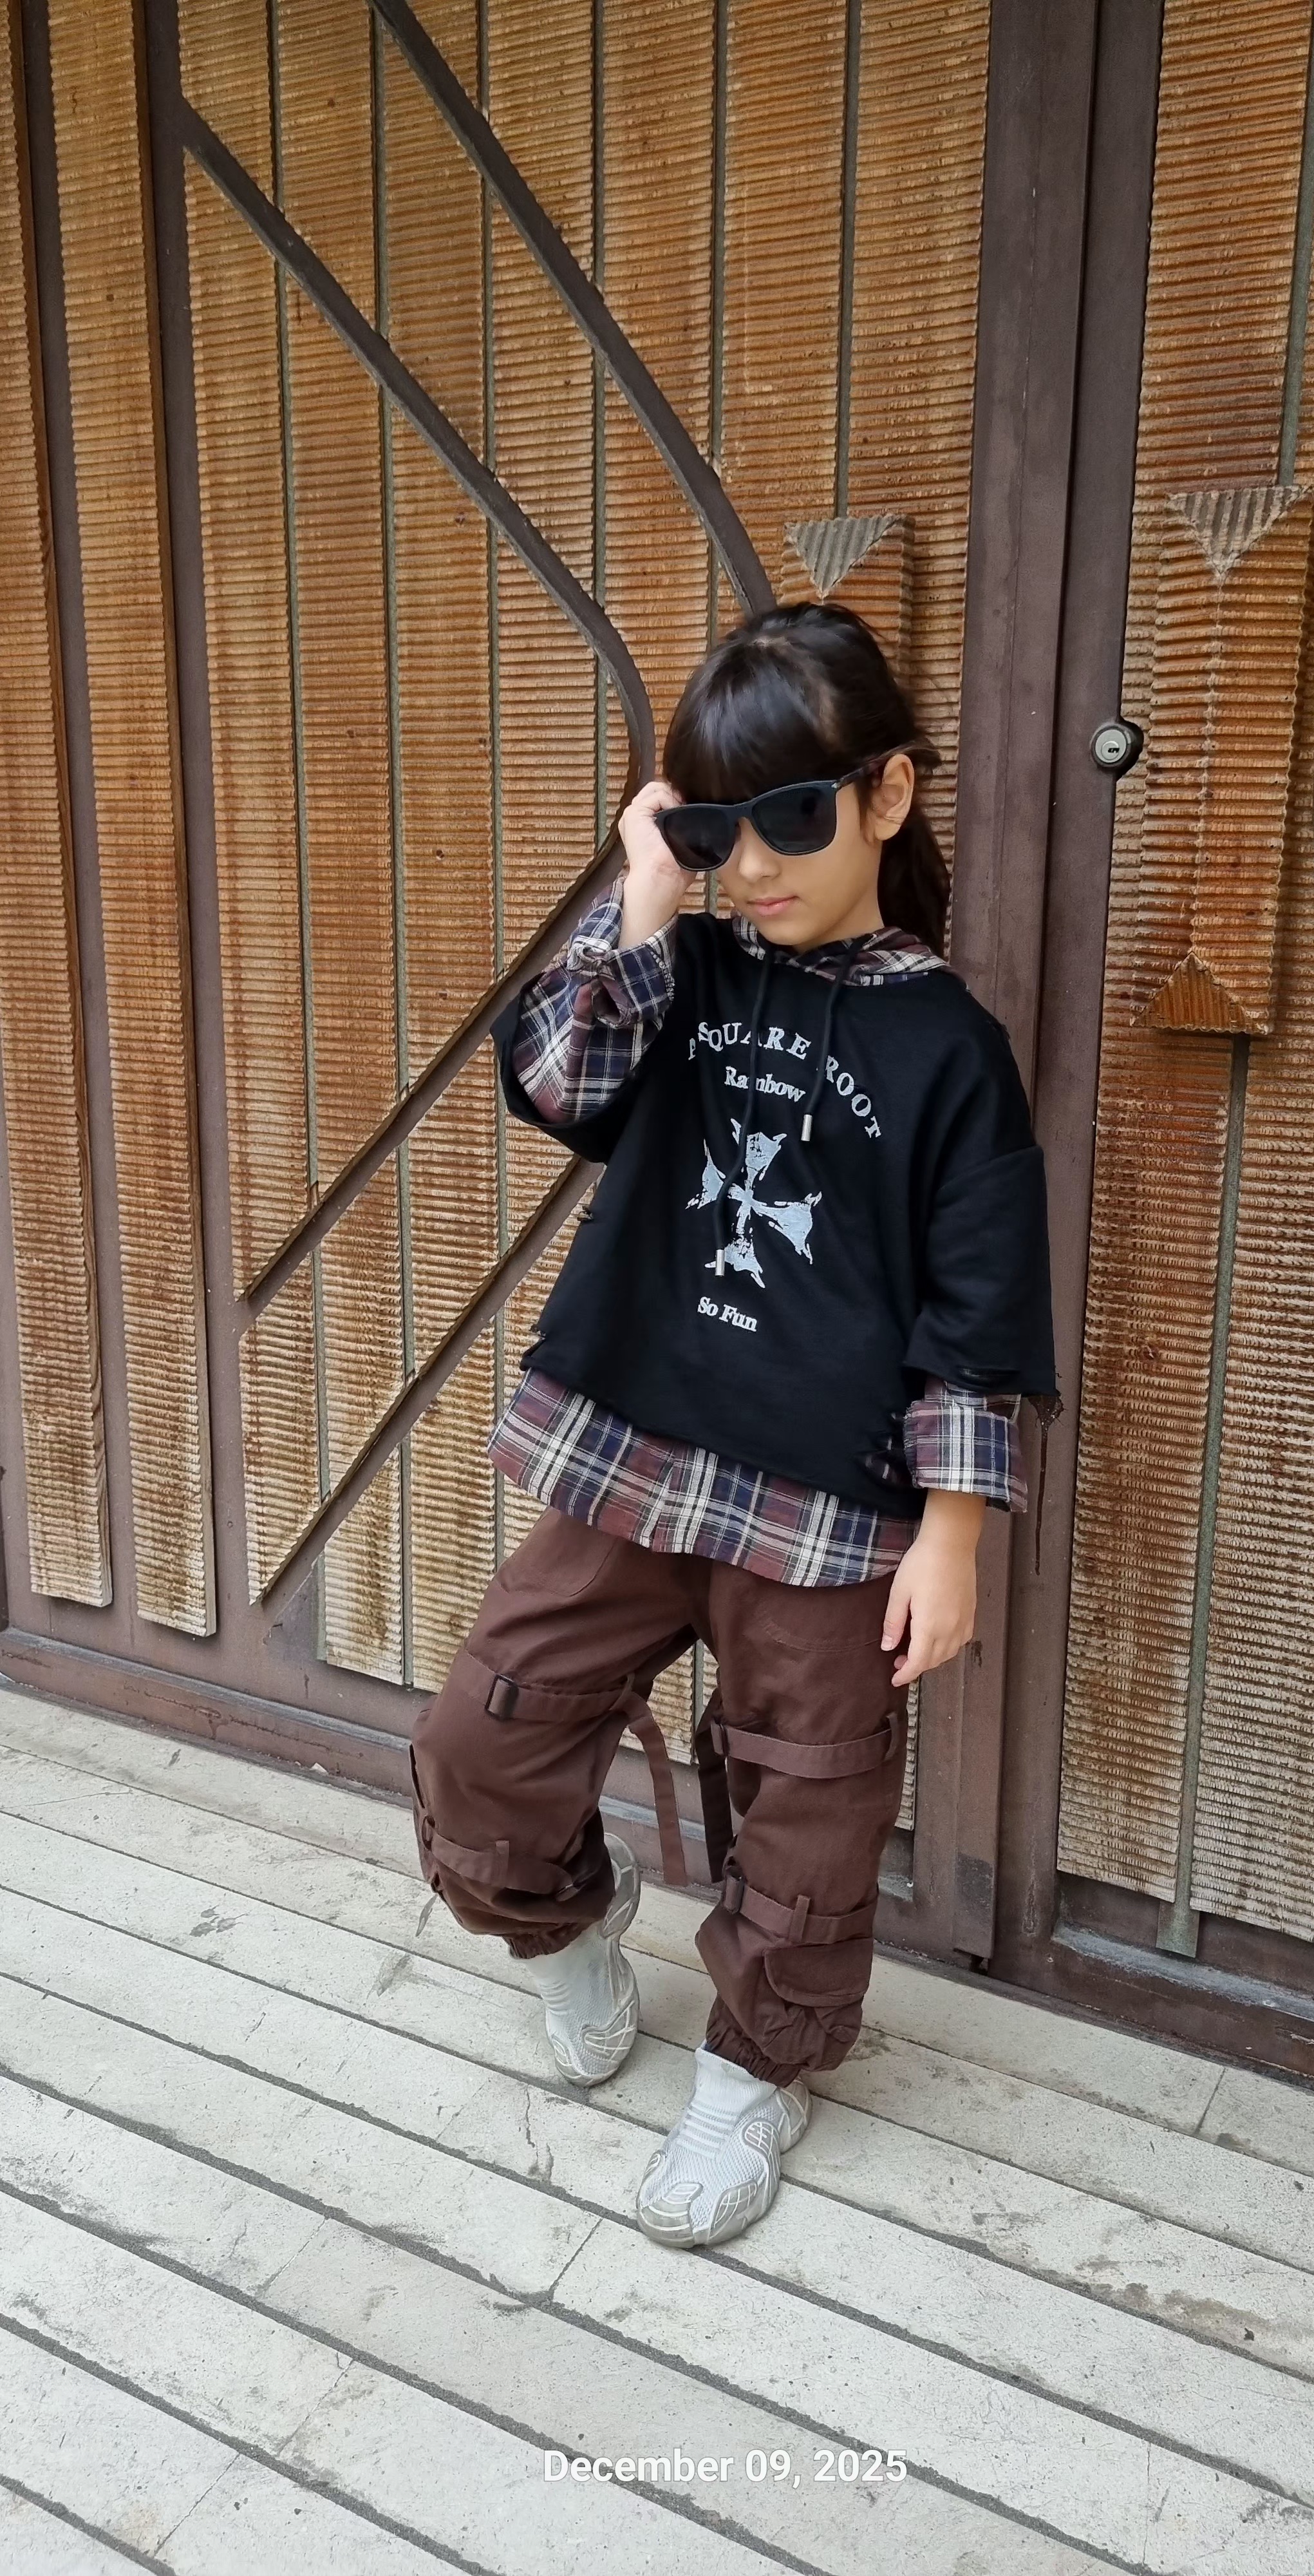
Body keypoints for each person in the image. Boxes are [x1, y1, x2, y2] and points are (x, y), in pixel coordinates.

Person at [409, 600, 1058, 2249]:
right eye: (715, 828)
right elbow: (558, 1084)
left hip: (831, 1510)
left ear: (887, 794)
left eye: (789, 815)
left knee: (810, 1807)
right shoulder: (679, 973)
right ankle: (566, 1922)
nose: (752, 862)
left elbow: (977, 1306)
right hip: (631, 1453)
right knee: (482, 1741)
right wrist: (645, 888)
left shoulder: (950, 1049)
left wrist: (955, 1532)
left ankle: (756, 2065)